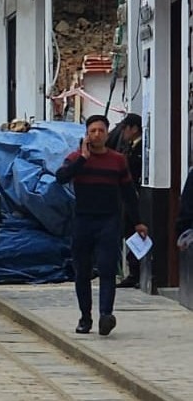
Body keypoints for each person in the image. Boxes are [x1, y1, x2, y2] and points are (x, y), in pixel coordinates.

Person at [56, 115, 147, 336]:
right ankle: (85, 317)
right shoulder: (76, 158)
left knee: (107, 268)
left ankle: (106, 314)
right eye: (93, 131)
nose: (97, 134)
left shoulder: (117, 160)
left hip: (109, 220)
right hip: (83, 221)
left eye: (101, 131)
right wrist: (83, 159)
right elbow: (60, 177)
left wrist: (138, 222)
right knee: (82, 271)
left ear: (107, 134)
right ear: (87, 134)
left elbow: (128, 192)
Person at [117, 113, 143, 289]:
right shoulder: (128, 146)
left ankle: (135, 273)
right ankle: (132, 271)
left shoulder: (140, 148)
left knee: (133, 231)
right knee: (128, 232)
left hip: (135, 196)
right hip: (126, 197)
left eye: (125, 128)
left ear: (133, 129)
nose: (123, 132)